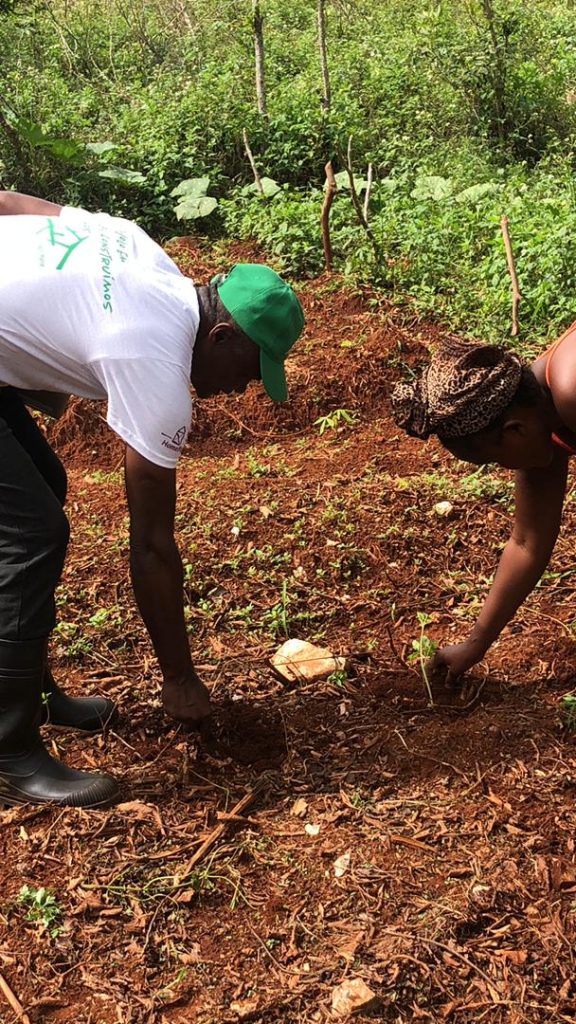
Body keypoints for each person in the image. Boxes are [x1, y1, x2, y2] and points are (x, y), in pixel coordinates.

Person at [0, 190, 305, 807]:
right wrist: (179, 678)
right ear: (221, 336)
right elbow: (151, 545)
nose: (245, 387)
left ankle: (30, 693)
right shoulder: (154, 358)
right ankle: (7, 753)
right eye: (252, 369)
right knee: (32, 532)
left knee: (44, 487)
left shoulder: (140, 248)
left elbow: (7, 201)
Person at [391, 328, 576, 690]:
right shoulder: (544, 414)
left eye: (496, 460)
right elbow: (527, 542)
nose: (506, 469)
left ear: (514, 431)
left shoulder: (571, 393)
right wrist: (475, 645)